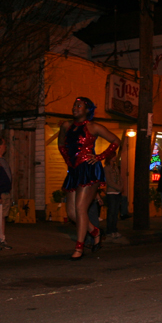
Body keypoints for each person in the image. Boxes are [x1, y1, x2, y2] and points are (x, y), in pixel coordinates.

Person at [58, 97, 120, 260]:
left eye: (79, 106)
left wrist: (100, 156)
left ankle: (79, 247)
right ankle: (95, 231)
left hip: (89, 169)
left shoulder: (93, 127)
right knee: (72, 213)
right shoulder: (66, 126)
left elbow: (115, 140)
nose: (75, 108)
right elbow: (61, 145)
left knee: (80, 209)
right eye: (74, 105)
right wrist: (69, 162)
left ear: (87, 110)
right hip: (73, 170)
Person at [103, 157, 124, 241]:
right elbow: (109, 181)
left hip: (117, 192)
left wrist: (121, 186)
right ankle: (109, 230)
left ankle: (114, 229)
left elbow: (120, 177)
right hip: (111, 192)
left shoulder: (115, 167)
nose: (115, 157)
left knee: (115, 212)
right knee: (111, 212)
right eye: (113, 156)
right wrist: (118, 187)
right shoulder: (106, 168)